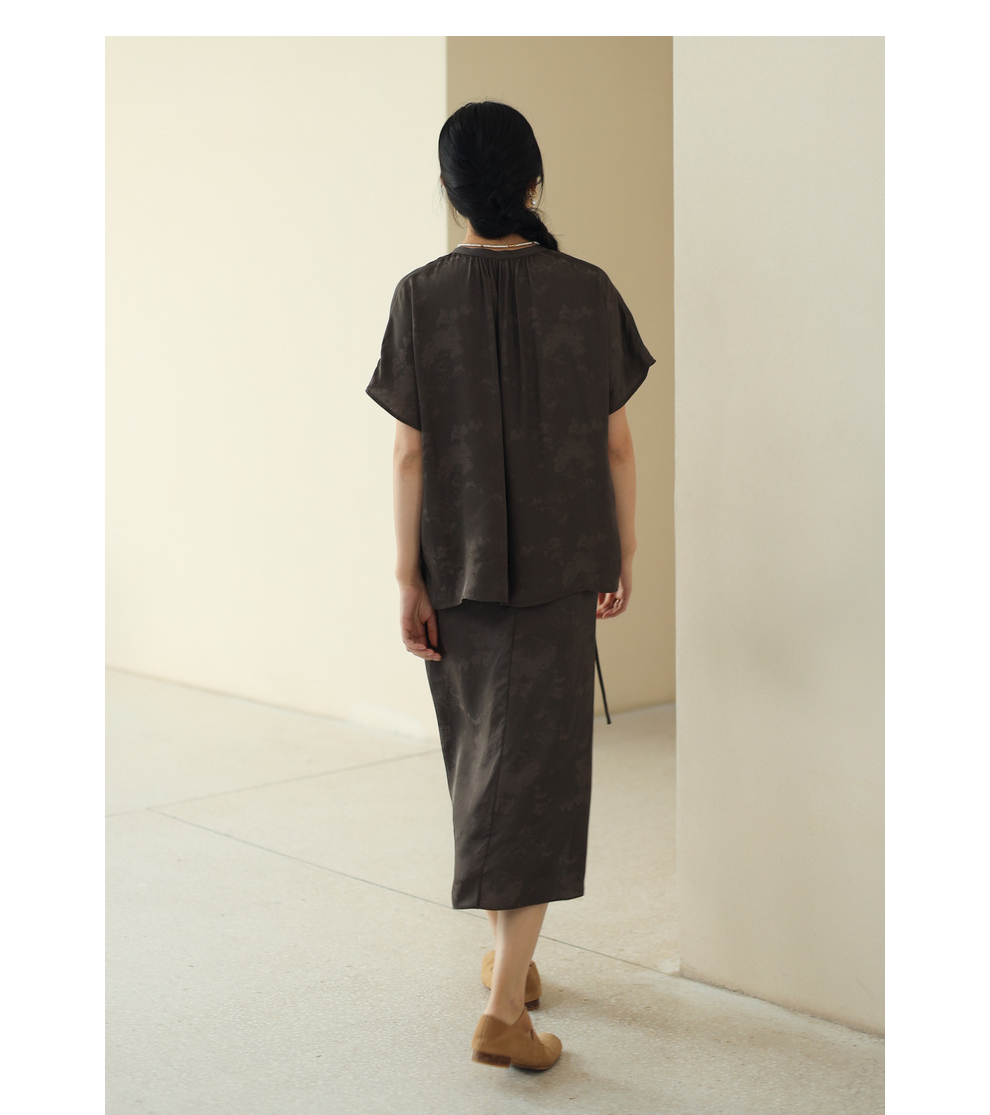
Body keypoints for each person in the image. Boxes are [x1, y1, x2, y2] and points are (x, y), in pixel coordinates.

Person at [366, 100, 654, 1071]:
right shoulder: (587, 288)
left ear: (453, 195)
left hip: (459, 568)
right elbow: (617, 443)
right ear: (533, 183)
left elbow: (407, 454)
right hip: (562, 565)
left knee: (486, 762)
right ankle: (501, 1010)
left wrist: (405, 574)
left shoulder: (419, 294)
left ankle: (510, 961)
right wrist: (625, 551)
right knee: (536, 778)